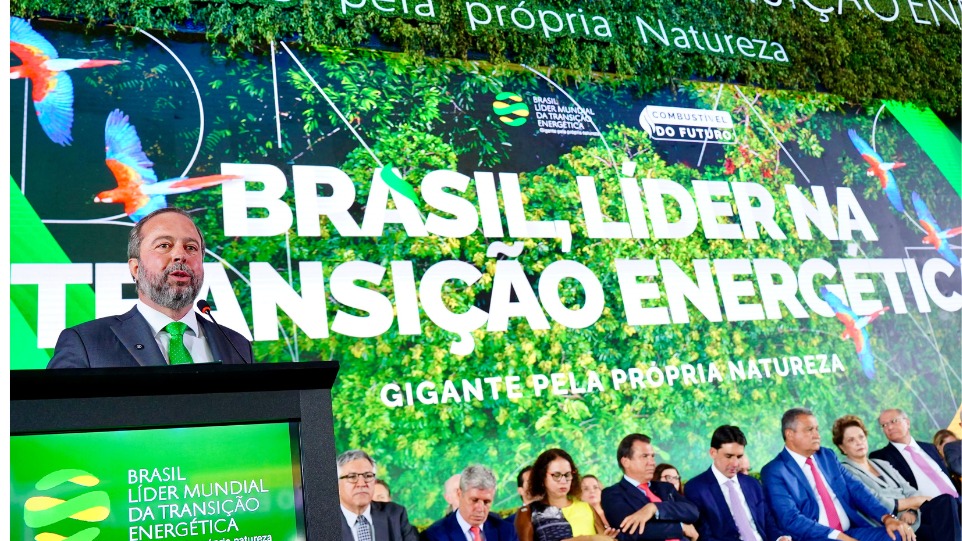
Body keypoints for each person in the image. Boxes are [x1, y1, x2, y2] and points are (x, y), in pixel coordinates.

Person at [48, 207, 252, 368]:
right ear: (136, 268)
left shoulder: (237, 345)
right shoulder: (85, 343)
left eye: (191, 248)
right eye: (164, 245)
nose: (180, 255)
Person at [760, 408, 915, 541]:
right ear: (790, 434)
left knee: (900, 533)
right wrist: (839, 537)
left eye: (817, 429)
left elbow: (857, 490)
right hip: (817, 537)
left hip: (851, 531)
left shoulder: (826, 456)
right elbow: (790, 519)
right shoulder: (774, 471)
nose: (817, 435)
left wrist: (887, 517)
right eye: (809, 430)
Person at [832, 415, 960, 541]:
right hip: (889, 522)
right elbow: (872, 500)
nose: (859, 442)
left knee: (946, 500)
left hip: (913, 516)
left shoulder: (881, 463)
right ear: (842, 447)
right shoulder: (845, 471)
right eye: (851, 440)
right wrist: (913, 502)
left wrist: (911, 510)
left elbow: (909, 490)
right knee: (941, 530)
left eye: (861, 437)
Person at [685, 425, 789, 541]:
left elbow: (768, 521)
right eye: (729, 456)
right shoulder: (696, 488)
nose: (735, 464)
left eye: (739, 456)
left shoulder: (752, 484)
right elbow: (705, 536)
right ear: (713, 453)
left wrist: (779, 538)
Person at [600, 433, 700, 541]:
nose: (652, 462)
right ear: (626, 462)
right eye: (644, 456)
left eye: (652, 456)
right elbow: (633, 531)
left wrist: (655, 508)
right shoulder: (612, 494)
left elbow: (692, 511)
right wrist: (680, 528)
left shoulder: (666, 487)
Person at [514, 449, 617, 541]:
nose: (563, 481)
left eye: (567, 475)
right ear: (542, 476)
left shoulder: (587, 508)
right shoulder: (528, 512)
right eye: (556, 475)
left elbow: (604, 538)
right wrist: (589, 539)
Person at [870, 409, 958, 499]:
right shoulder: (881, 457)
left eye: (894, 421)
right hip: (928, 506)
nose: (890, 427)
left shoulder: (929, 447)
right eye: (884, 425)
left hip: (958, 500)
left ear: (907, 423)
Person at [337, 450, 419, 541]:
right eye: (352, 477)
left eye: (368, 476)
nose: (361, 483)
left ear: (374, 482)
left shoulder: (395, 514)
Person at [421, 465, 518, 541]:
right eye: (474, 500)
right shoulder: (434, 536)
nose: (480, 508)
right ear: (459, 494)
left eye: (486, 502)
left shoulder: (507, 531)